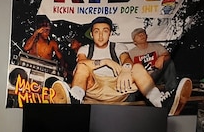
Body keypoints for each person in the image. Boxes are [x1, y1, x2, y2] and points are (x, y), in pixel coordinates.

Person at [51, 16, 188, 116]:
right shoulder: (85, 49)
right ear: (92, 34)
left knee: (137, 67)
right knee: (82, 67)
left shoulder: (118, 47)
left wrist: (126, 69)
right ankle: (75, 98)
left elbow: (127, 60)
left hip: (117, 88)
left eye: (105, 31)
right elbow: (82, 62)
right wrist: (107, 61)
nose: (100, 35)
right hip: (94, 88)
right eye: (97, 31)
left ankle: (161, 102)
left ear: (109, 33)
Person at [127, 27, 192, 113]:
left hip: (157, 75)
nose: (141, 35)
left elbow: (167, 55)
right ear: (134, 41)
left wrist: (162, 57)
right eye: (138, 35)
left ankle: (172, 92)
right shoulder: (131, 53)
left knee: (169, 62)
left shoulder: (156, 46)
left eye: (143, 33)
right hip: (142, 81)